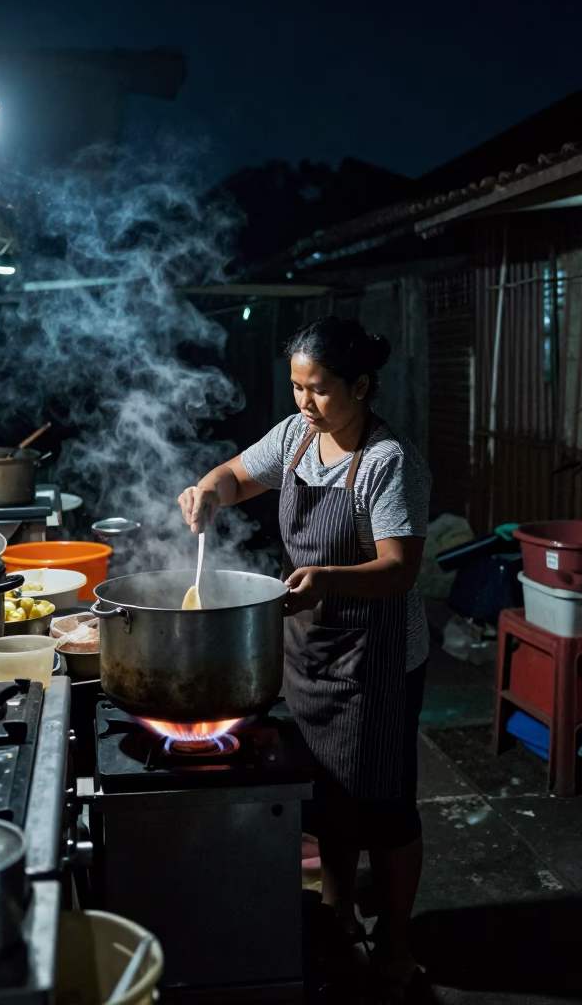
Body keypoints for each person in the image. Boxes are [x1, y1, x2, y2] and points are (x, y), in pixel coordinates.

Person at [178, 316, 431, 996]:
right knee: (326, 793)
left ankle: (398, 947)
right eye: (296, 387)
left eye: (317, 390)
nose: (303, 403)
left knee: (384, 807)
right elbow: (236, 474)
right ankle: (339, 912)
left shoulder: (386, 460)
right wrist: (208, 489)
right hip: (310, 645)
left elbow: (399, 569)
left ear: (360, 385)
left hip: (375, 659)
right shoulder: (295, 439)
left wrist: (327, 580)